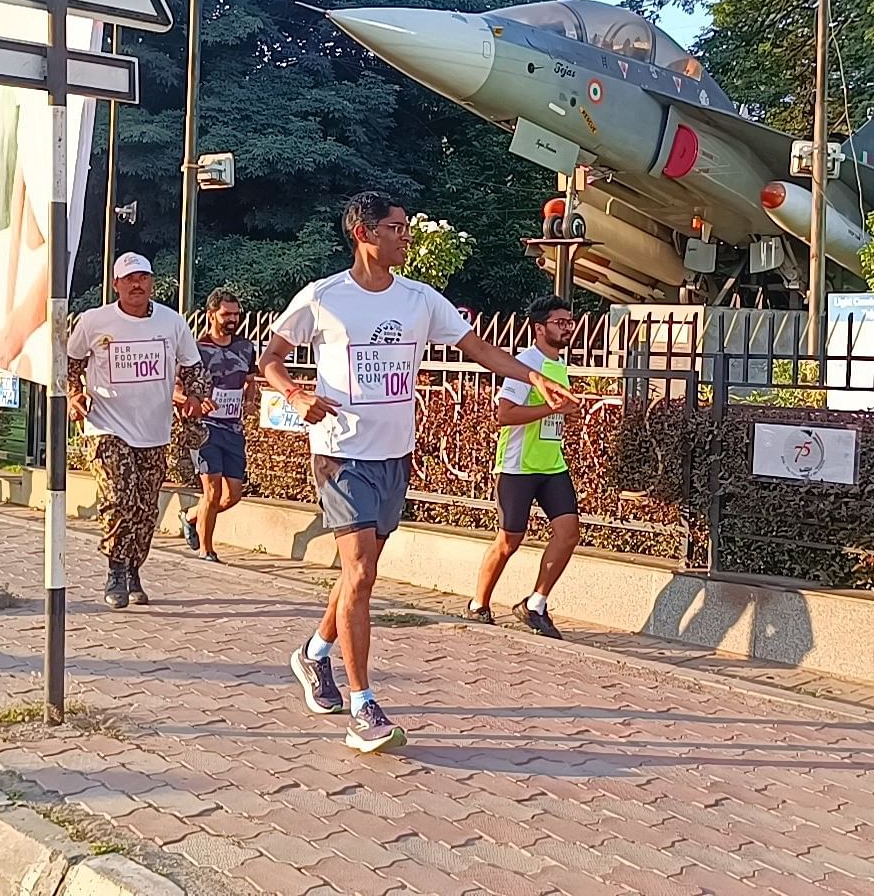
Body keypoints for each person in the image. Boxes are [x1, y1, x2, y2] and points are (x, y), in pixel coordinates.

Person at [259, 191, 578, 754]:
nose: (407, 237)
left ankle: (313, 653)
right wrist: (293, 392)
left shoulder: (420, 299)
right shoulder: (323, 298)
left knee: (361, 572)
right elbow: (270, 358)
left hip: (393, 455)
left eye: (406, 228)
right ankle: (364, 707)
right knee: (359, 576)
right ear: (365, 234)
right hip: (341, 453)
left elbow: (479, 348)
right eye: (397, 228)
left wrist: (535, 378)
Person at [66, 252, 208, 610]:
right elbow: (68, 361)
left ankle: (133, 569)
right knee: (118, 497)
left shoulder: (171, 322)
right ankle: (115, 568)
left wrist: (193, 396)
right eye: (129, 279)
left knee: (145, 508)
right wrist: (74, 393)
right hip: (106, 426)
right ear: (115, 285)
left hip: (154, 429)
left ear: (151, 283)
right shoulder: (94, 321)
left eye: (143, 278)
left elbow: (193, 366)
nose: (137, 284)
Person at [466, 295, 581, 638]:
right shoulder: (526, 364)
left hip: (551, 464)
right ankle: (478, 605)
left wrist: (568, 409)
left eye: (570, 322)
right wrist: (553, 408)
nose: (567, 328)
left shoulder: (560, 364)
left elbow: (557, 411)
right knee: (508, 541)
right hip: (517, 467)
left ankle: (535, 604)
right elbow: (504, 414)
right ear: (539, 328)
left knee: (569, 533)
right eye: (560, 323)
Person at [178, 288, 256, 563]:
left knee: (233, 495)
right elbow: (174, 388)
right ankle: (206, 550)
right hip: (204, 429)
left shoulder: (245, 347)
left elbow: (249, 380)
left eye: (236, 314)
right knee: (213, 491)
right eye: (227, 314)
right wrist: (195, 401)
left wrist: (249, 400)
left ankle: (190, 516)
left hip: (233, 429)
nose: (233, 319)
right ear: (211, 314)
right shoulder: (196, 349)